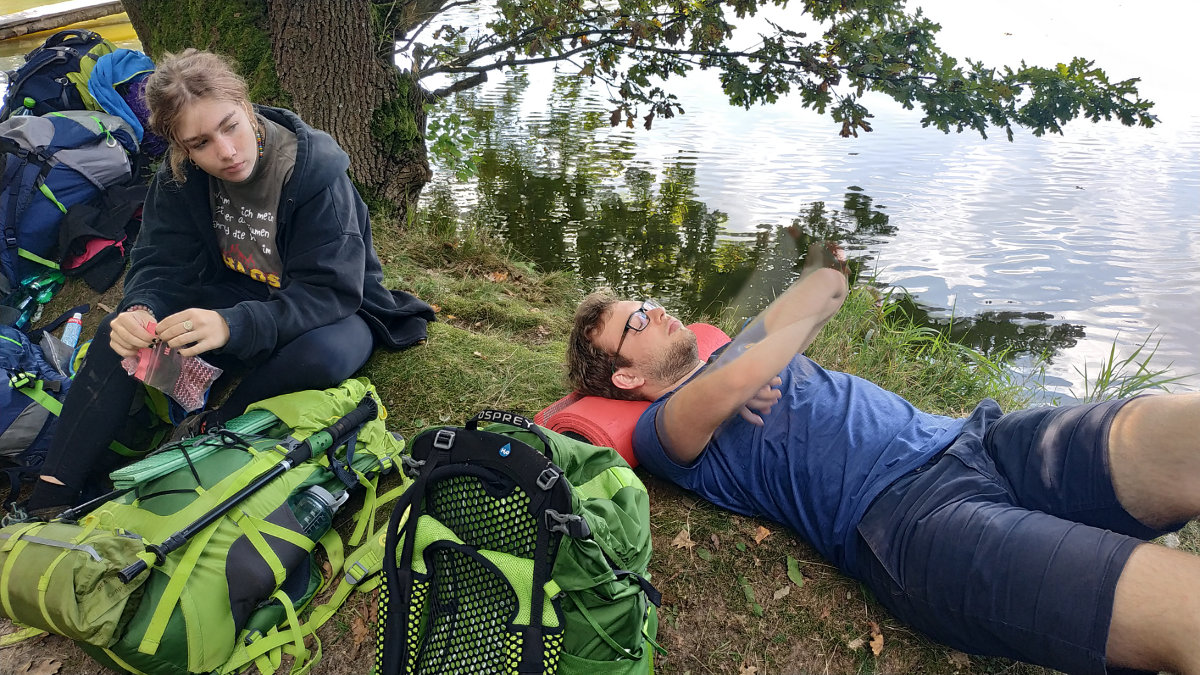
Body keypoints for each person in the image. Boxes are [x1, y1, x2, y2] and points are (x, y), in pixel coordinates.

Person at [565, 246, 1200, 675]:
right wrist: (747, 368)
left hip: (980, 442)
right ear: (625, 378)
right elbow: (745, 371)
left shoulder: (734, 353)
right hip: (915, 523)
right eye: (635, 321)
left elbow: (828, 285)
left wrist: (767, 341)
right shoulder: (662, 430)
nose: (655, 310)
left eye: (644, 302)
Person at [14, 49, 435, 518]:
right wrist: (142, 306)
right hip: (233, 295)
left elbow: (332, 291)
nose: (227, 152)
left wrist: (232, 326)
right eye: (200, 143)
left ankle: (211, 431)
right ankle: (50, 497)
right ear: (180, 147)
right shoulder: (179, 176)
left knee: (327, 354)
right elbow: (160, 261)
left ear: (246, 107)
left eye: (230, 126)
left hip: (329, 311)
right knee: (120, 332)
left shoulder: (312, 170)